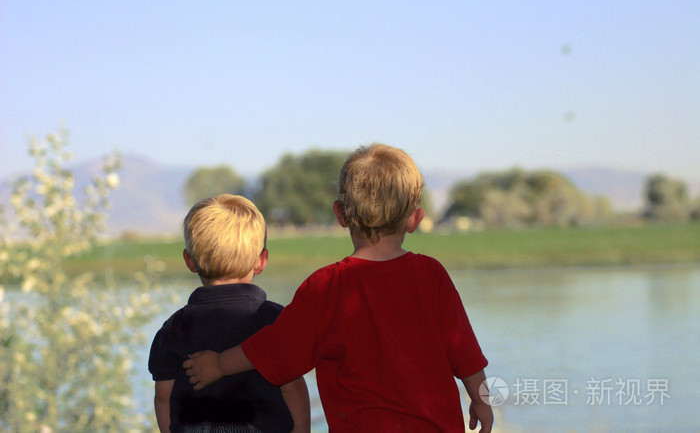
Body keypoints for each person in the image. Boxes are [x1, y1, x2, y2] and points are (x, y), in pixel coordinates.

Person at [183, 144, 493, 433]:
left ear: (340, 214)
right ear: (414, 218)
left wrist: (220, 364)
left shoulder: (325, 288)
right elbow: (463, 348)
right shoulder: (431, 274)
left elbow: (278, 350)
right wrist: (481, 400)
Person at [148, 194, 310, 433]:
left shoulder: (174, 328)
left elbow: (163, 396)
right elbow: (292, 386)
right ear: (261, 261)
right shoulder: (274, 320)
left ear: (189, 261)